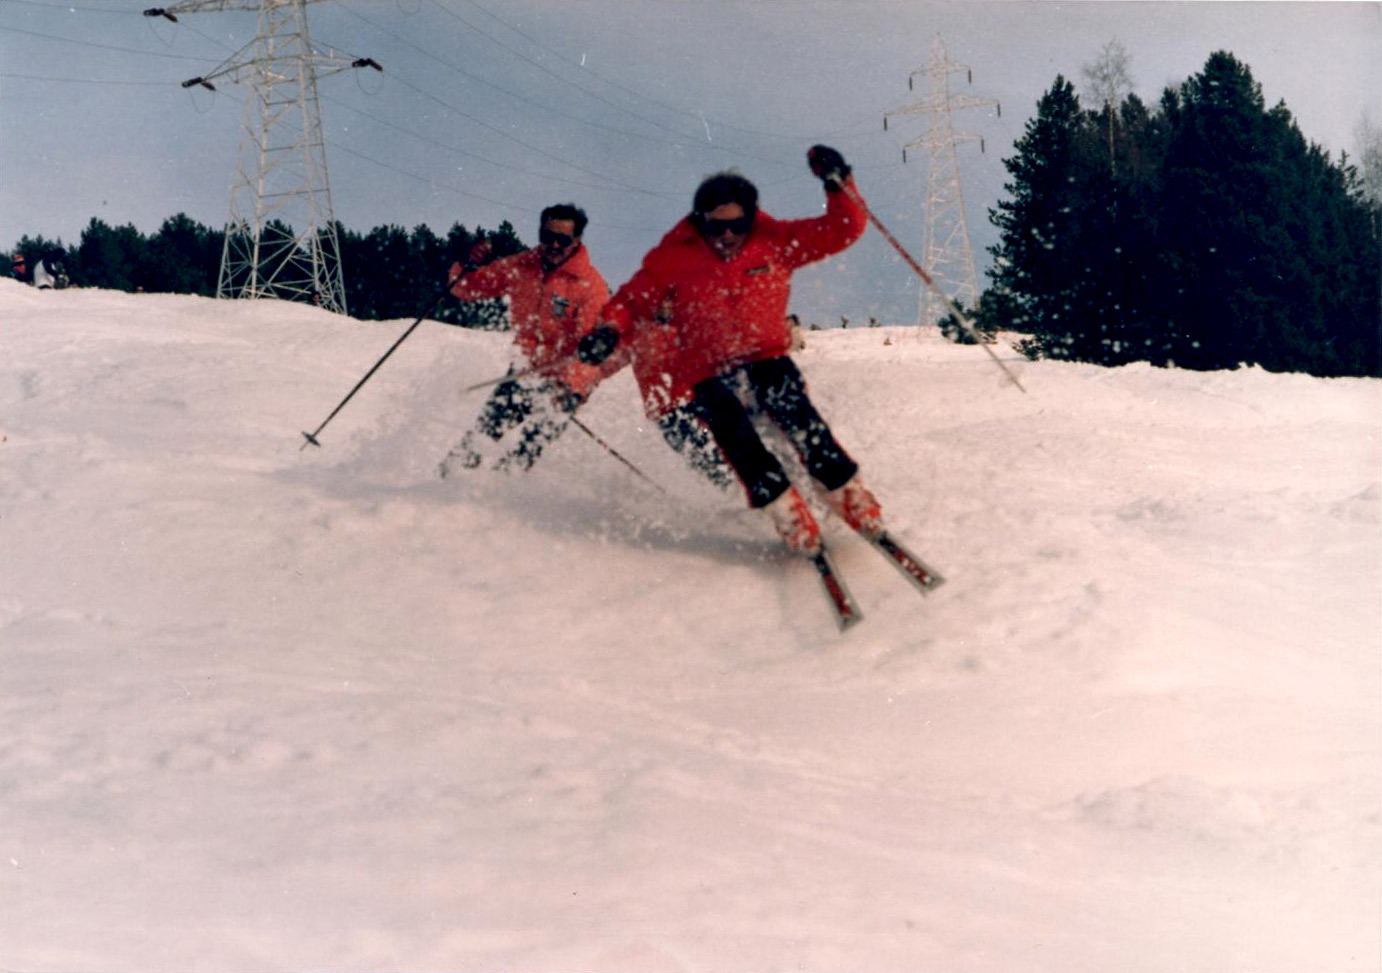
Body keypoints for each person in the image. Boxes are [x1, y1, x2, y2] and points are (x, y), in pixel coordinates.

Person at [579, 145, 884, 555]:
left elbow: (844, 228)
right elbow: (632, 300)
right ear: (699, 221)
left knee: (799, 419)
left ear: (751, 219)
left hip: (765, 357)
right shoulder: (675, 257)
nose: (726, 236)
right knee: (737, 439)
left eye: (737, 226)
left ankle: (845, 494)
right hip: (707, 371)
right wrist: (608, 329)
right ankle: (783, 508)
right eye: (715, 228)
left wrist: (839, 183)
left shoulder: (775, 242)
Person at [439, 204, 610, 475]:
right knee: (479, 438)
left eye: (562, 239)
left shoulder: (590, 286)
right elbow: (466, 288)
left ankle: (501, 494)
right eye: (547, 236)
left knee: (524, 453)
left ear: (576, 241)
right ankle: (444, 485)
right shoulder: (522, 266)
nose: (553, 244)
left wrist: (570, 389)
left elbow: (592, 352)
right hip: (523, 372)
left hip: (566, 381)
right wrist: (467, 264)